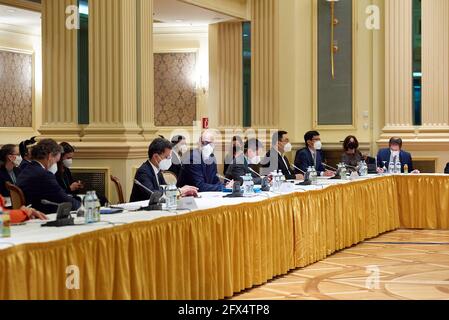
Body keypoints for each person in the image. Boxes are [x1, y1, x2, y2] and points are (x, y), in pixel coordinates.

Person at [16, 139, 81, 214]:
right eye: (56, 161)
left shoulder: (28, 169)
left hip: (32, 211)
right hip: (42, 214)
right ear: (50, 156)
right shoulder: (44, 175)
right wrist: (82, 206)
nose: (55, 164)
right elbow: (63, 199)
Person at [130, 138, 198, 202]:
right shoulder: (143, 172)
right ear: (156, 157)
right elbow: (153, 195)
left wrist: (182, 192)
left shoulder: (158, 170)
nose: (169, 160)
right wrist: (179, 191)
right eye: (167, 157)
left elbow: (165, 190)